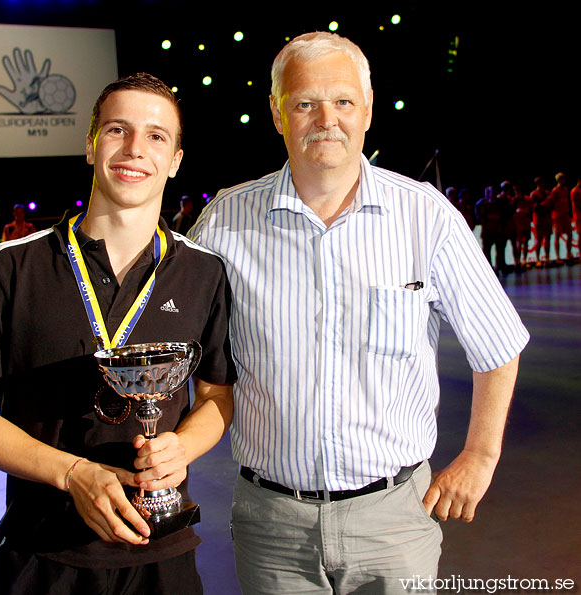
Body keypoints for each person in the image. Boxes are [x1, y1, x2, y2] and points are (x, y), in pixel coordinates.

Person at [189, 32, 529, 594]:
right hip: (272, 528)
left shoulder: (426, 216)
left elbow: (498, 345)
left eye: (343, 101)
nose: (327, 118)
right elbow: (186, 348)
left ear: (367, 110)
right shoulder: (225, 222)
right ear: (277, 114)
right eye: (305, 103)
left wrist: (481, 454)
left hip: (395, 521)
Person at [0, 73, 236, 594]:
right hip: (42, 554)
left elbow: (216, 396)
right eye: (118, 130)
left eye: (156, 136)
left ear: (176, 160)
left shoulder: (205, 272)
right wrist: (72, 473)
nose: (136, 149)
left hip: (163, 554)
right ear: (91, 145)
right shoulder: (12, 267)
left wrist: (181, 448)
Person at [549, 172, 572, 264]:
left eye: (563, 178)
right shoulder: (555, 190)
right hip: (558, 216)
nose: (563, 180)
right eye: (561, 178)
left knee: (570, 234)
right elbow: (551, 202)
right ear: (558, 180)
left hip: (565, 215)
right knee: (557, 235)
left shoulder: (565, 189)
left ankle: (568, 254)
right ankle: (558, 257)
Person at [530, 176, 554, 266]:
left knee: (548, 238)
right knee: (539, 239)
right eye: (540, 183)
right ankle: (538, 259)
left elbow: (551, 205)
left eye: (543, 183)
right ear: (537, 184)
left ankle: (547, 258)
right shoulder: (534, 194)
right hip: (539, 220)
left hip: (547, 219)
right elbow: (536, 208)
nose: (542, 185)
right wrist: (545, 204)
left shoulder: (548, 193)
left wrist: (547, 204)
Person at [511, 184, 534, 269]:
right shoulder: (513, 200)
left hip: (526, 223)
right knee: (518, 243)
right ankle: (518, 261)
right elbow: (510, 211)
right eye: (515, 190)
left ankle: (525, 260)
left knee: (526, 242)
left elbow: (532, 209)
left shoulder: (527, 199)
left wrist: (526, 211)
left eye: (518, 190)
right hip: (517, 225)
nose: (517, 192)